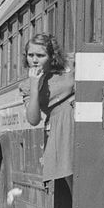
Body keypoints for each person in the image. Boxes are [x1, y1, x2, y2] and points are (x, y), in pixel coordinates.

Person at [19, 32, 75, 187]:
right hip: (60, 127)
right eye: (30, 55)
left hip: (80, 117)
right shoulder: (27, 86)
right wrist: (35, 85)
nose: (35, 60)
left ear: (51, 56)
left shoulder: (70, 65)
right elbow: (33, 119)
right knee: (71, 179)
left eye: (40, 55)